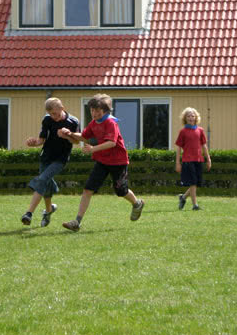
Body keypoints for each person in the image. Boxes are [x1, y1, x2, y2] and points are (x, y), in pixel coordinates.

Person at [58, 93, 145, 232]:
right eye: (92, 110)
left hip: (118, 162)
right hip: (102, 161)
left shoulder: (111, 123)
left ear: (105, 110)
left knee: (121, 191)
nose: (94, 113)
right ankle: (77, 222)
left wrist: (93, 149)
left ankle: (137, 203)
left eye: (97, 110)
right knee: (88, 189)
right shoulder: (94, 123)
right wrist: (70, 134)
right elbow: (85, 137)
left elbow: (111, 143)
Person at [21, 98, 80, 227]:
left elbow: (76, 141)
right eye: (52, 114)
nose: (54, 117)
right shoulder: (47, 120)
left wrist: (67, 135)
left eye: (56, 114)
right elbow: (41, 140)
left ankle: (28, 214)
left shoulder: (73, 121)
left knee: (42, 179)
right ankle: (48, 211)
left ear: (62, 108)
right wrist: (33, 143)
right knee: (46, 185)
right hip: (46, 157)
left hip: (61, 159)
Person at [175, 107, 211, 211]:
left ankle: (183, 197)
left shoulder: (200, 131)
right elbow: (178, 148)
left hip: (199, 160)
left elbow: (204, 146)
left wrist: (208, 159)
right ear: (185, 118)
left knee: (196, 183)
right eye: (188, 116)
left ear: (196, 118)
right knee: (193, 183)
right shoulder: (183, 132)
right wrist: (177, 163)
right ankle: (195, 205)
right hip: (187, 160)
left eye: (192, 116)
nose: (191, 117)